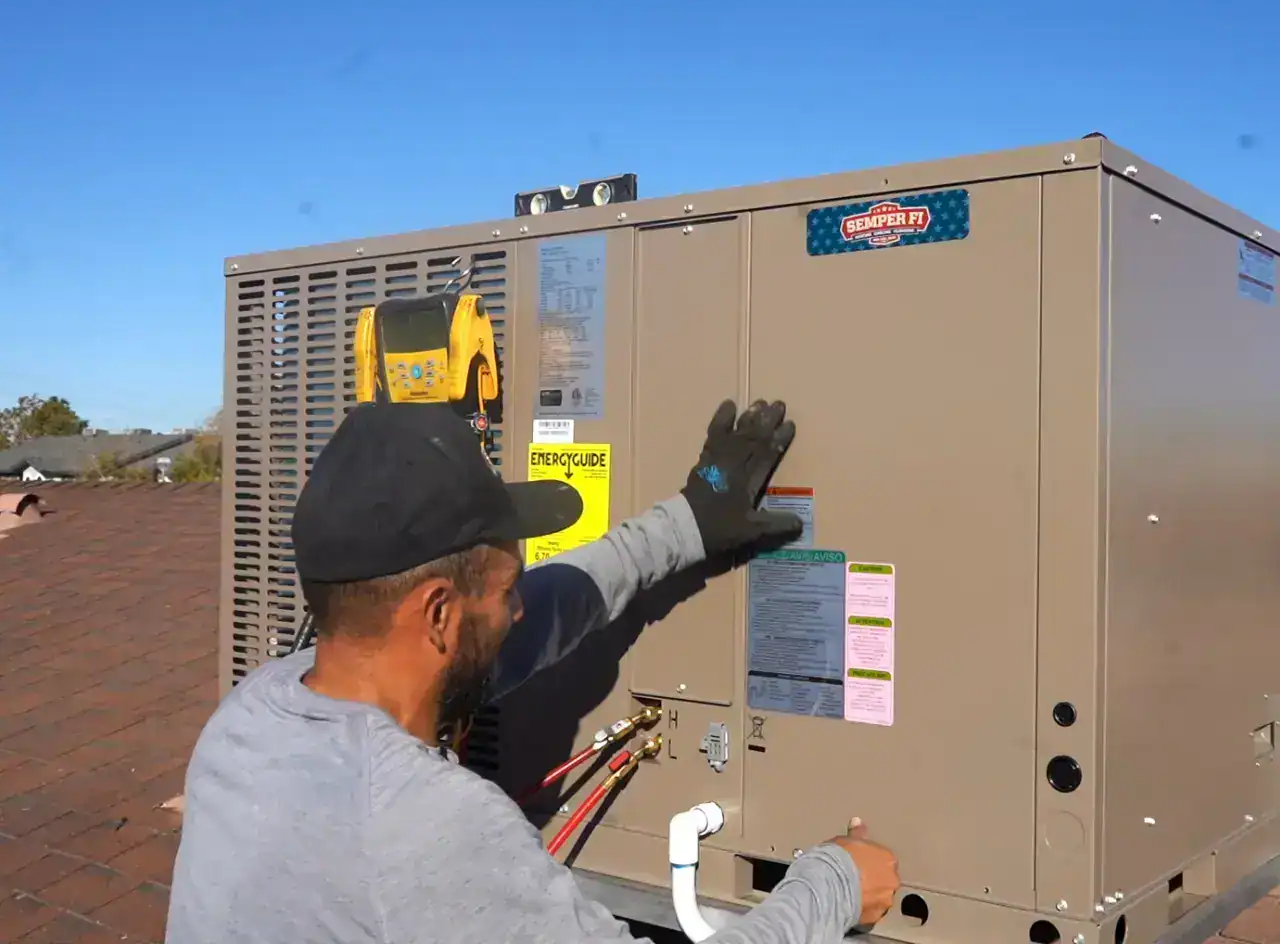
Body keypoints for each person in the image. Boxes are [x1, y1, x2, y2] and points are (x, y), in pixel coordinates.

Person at [165, 397, 901, 943]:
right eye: (507, 591)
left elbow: (539, 622)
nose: (520, 611)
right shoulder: (423, 824)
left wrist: (688, 523)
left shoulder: (250, 717)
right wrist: (832, 884)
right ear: (439, 616)